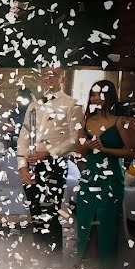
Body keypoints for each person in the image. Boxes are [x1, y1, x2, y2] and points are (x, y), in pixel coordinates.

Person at [74, 80, 135, 267]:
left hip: (111, 178)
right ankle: (85, 259)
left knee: (107, 219)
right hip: (89, 176)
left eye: (100, 94)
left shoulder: (121, 121)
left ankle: (107, 265)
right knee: (85, 216)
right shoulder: (85, 121)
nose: (96, 98)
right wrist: (86, 146)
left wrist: (106, 150)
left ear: (109, 96)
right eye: (93, 94)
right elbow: (78, 152)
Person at [16, 67, 81, 253]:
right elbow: (23, 135)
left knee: (51, 212)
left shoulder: (72, 104)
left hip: (55, 164)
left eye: (54, 74)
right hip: (31, 164)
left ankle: (53, 260)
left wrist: (49, 153)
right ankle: (39, 255)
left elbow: (74, 139)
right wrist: (22, 166)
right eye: (46, 74)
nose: (49, 77)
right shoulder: (34, 105)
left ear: (62, 77)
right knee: (35, 212)